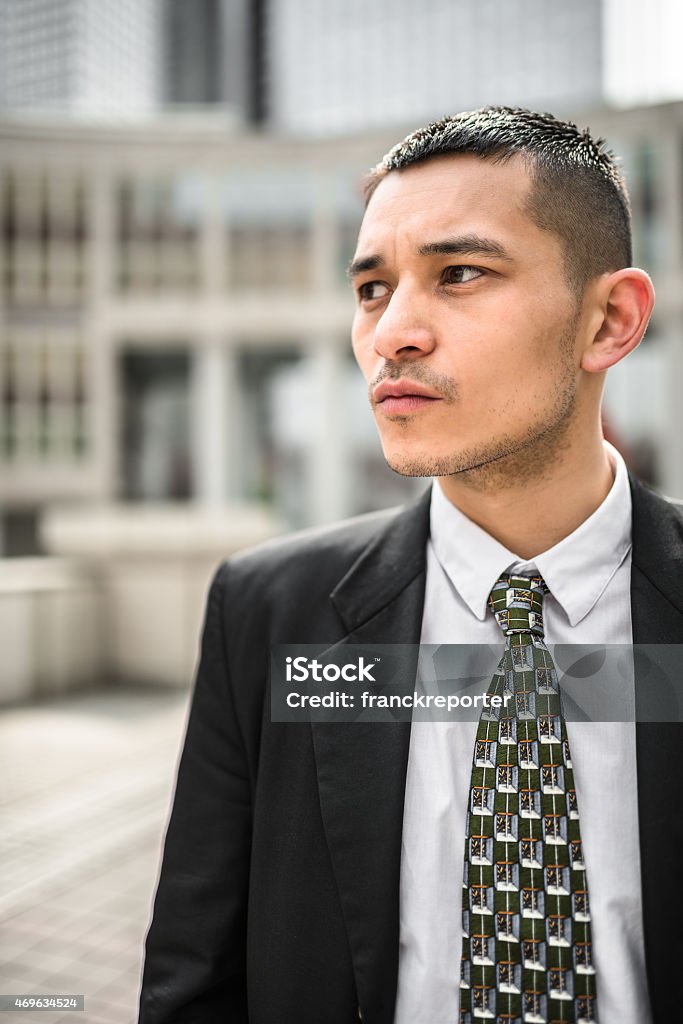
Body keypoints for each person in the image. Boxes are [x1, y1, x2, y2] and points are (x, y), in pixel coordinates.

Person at [138, 107, 683, 1024]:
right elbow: (194, 979)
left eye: (459, 274)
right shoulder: (272, 614)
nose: (392, 332)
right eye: (370, 290)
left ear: (609, 320)